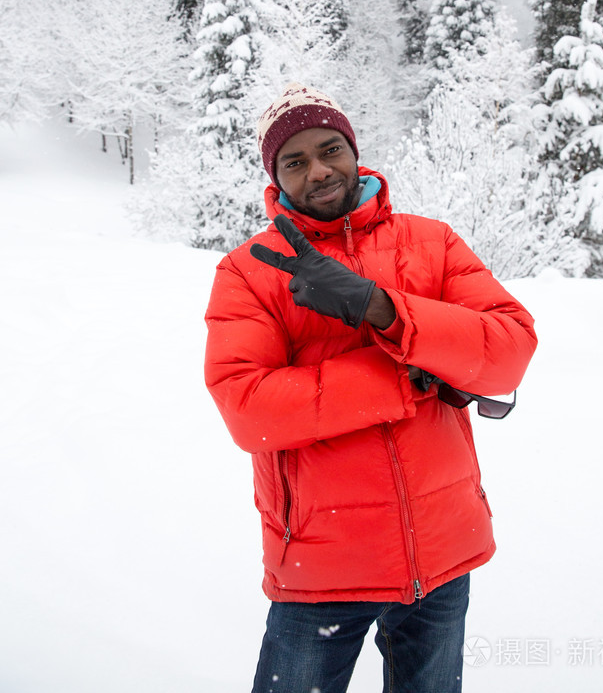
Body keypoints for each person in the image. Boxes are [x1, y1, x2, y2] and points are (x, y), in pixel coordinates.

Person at [204, 82, 537, 693]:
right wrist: (404, 376)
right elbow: (248, 409)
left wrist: (382, 309)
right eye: (295, 161)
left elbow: (509, 351)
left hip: (440, 551)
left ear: (355, 152)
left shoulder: (431, 242)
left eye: (330, 149)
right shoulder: (250, 270)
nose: (320, 171)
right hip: (320, 560)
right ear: (276, 179)